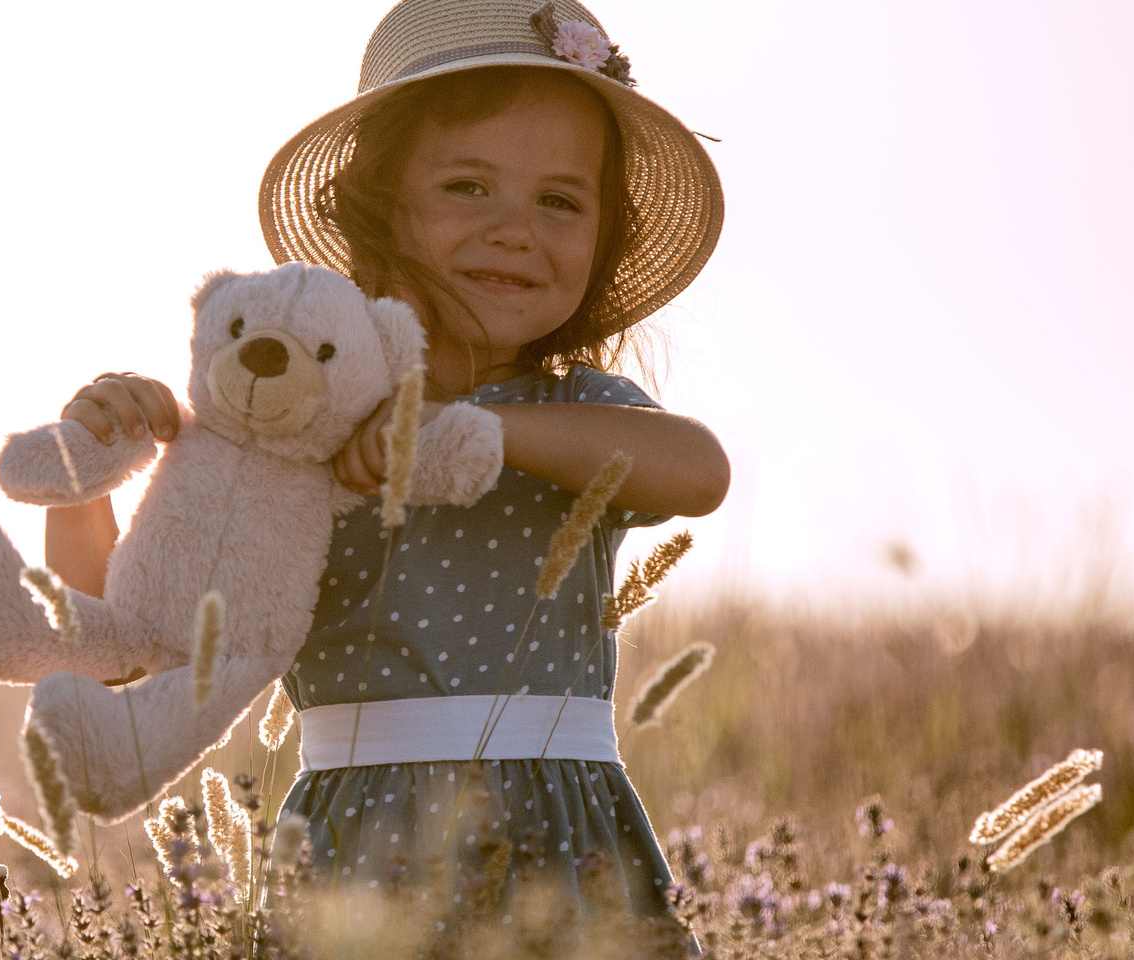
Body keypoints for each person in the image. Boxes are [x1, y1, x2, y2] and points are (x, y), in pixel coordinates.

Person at [43, 0, 729, 951]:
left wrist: (470, 430)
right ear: (373, 207)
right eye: (468, 186)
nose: (516, 230)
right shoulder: (296, 431)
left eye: (561, 201)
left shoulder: (576, 414)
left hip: (563, 839)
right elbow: (120, 646)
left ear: (603, 241)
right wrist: (85, 479)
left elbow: (698, 471)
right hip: (358, 842)